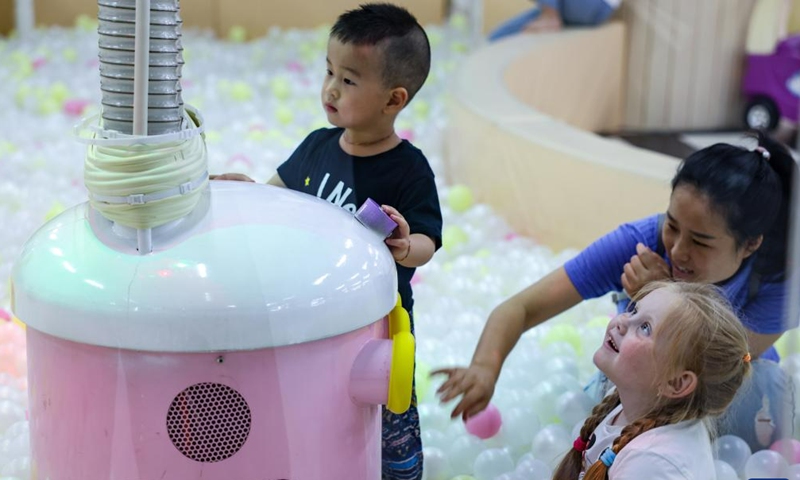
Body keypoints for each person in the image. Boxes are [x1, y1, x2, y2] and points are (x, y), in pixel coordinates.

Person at [433, 133, 796, 451]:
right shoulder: (641, 243)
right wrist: (484, 367)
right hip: (639, 389)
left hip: (734, 399)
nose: (678, 250)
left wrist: (658, 293)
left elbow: (713, 371)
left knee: (756, 383)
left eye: (700, 241)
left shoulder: (779, 278)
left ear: (749, 245)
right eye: (672, 225)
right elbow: (522, 307)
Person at [213, 4, 443, 479]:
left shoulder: (409, 168)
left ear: (394, 99)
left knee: (390, 423)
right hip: (312, 318)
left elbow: (428, 241)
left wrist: (405, 244)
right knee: (315, 413)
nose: (331, 88)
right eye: (329, 71)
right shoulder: (318, 145)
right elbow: (276, 201)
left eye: (350, 80)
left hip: (377, 325)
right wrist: (246, 191)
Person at [550, 281, 751, 479]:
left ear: (676, 383)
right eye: (633, 310)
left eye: (645, 328)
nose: (621, 321)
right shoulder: (630, 401)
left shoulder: (651, 463)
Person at [488, 0, 622, 42]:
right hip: (583, 10)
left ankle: (549, 17)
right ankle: (549, 15)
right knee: (497, 38)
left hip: (593, 4)